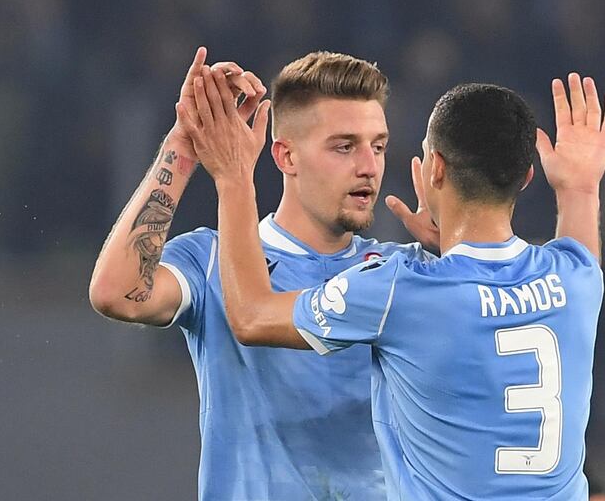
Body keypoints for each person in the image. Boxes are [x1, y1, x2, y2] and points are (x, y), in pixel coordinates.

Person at [180, 67, 605, 499]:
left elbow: (252, 316)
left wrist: (233, 176)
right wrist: (580, 185)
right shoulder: (576, 279)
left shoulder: (400, 288)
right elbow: (576, 219)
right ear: (526, 178)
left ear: (436, 170)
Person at [88, 47, 438, 500]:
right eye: (344, 146)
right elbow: (117, 293)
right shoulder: (214, 257)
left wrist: (460, 249)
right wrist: (182, 146)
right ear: (286, 156)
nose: (368, 167)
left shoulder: (402, 271)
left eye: (378, 146)